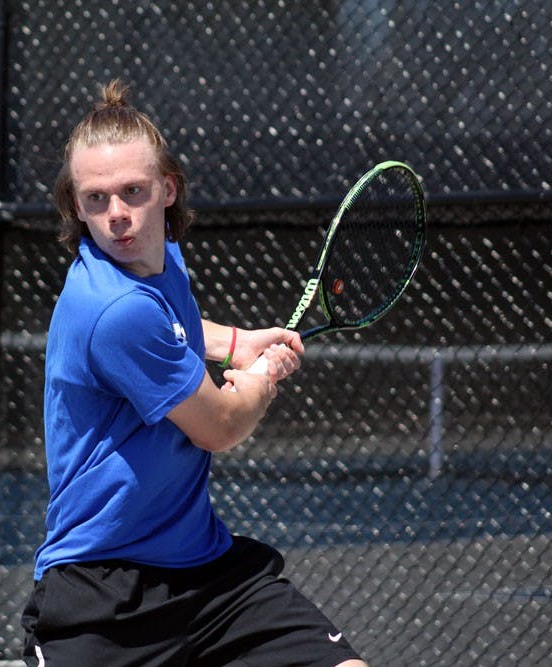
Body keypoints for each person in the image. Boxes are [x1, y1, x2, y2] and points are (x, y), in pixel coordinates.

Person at [21, 80, 367, 667]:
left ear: (167, 190)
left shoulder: (160, 263)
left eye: (133, 191)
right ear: (76, 207)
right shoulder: (113, 309)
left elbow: (174, 326)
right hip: (105, 595)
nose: (117, 215)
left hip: (209, 575)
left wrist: (237, 343)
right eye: (96, 199)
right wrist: (258, 379)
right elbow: (221, 426)